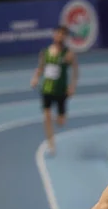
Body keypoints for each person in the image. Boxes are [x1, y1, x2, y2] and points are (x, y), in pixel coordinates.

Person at [30, 26, 78, 154]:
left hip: (61, 91)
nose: (59, 37)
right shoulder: (45, 52)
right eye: (58, 34)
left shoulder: (68, 54)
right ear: (54, 36)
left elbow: (75, 71)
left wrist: (72, 86)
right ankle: (51, 143)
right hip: (46, 89)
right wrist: (35, 78)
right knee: (47, 116)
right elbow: (40, 67)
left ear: (65, 37)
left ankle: (60, 118)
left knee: (61, 121)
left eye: (63, 35)